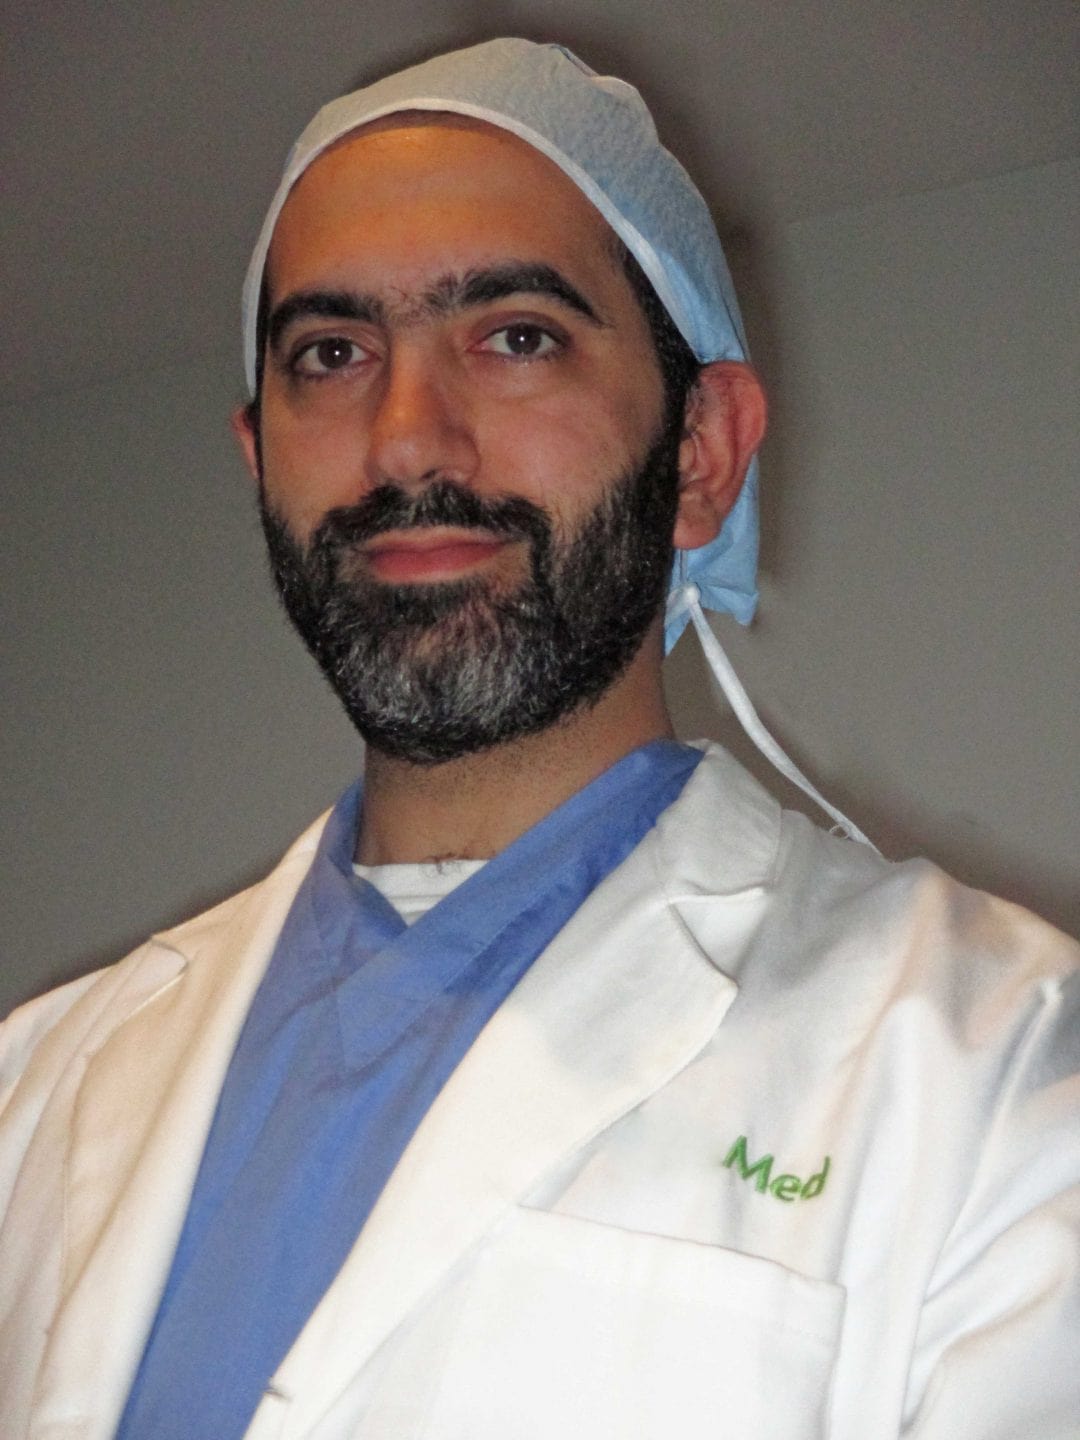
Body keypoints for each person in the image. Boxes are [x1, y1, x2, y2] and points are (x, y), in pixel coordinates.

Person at [0, 37, 1076, 1440]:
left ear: (700, 453)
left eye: (516, 336)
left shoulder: (995, 1068)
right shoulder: (39, 1083)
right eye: (331, 354)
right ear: (258, 455)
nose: (404, 441)